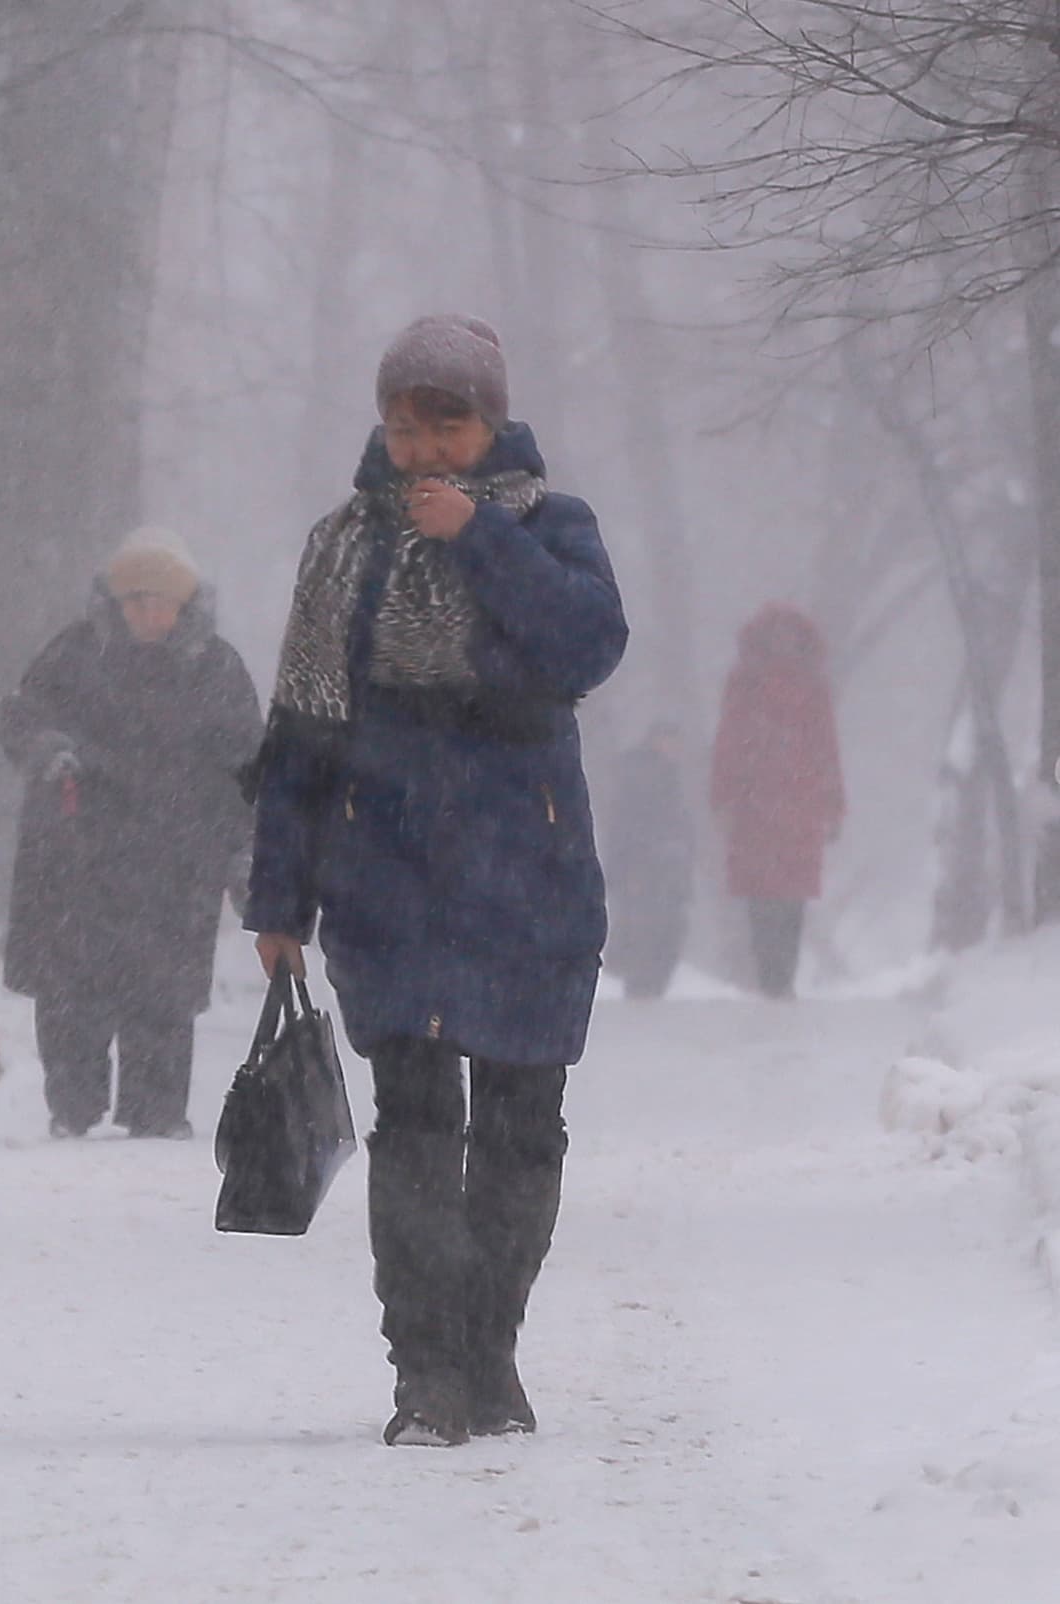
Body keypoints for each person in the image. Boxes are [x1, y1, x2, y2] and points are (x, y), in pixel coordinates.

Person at [246, 315, 627, 1446]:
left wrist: (479, 541)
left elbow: (585, 647)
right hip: (386, 875)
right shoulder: (341, 550)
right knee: (413, 1124)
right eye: (404, 425)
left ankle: (487, 1349)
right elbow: (302, 732)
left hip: (531, 878)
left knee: (521, 1127)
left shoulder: (553, 527)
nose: (423, 449)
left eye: (447, 422)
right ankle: (425, 1370)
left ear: (492, 421)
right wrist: (277, 899)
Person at [0, 530, 261, 1140]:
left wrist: (245, 851)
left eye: (162, 602)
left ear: (186, 606)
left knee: (165, 993)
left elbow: (247, 766)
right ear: (114, 604)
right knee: (70, 988)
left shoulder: (217, 670)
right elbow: (22, 715)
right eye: (136, 601)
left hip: (177, 858)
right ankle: (73, 1106)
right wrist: (49, 750)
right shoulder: (72, 655)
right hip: (78, 854)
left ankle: (157, 1110)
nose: (149, 614)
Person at [710, 603, 843, 999]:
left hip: (786, 802)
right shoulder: (750, 683)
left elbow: (825, 748)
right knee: (765, 895)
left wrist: (833, 805)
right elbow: (729, 743)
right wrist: (725, 796)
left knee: (789, 896)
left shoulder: (804, 686)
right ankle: (773, 975)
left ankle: (779, 975)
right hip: (766, 803)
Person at [602, 721, 694, 999]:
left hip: (659, 866)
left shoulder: (663, 773)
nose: (676, 748)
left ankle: (646, 984)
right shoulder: (646, 774)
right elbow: (629, 823)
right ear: (656, 740)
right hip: (647, 866)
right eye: (671, 740)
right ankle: (644, 985)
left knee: (657, 927)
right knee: (650, 928)